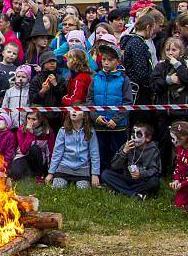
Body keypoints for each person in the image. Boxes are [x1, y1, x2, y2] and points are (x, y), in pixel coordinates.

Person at [87, 43, 133, 172]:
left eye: (110, 60)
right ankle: (101, 176)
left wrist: (116, 120)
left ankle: (117, 176)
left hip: (118, 125)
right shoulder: (96, 78)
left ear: (117, 61)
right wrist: (95, 117)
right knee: (101, 151)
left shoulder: (123, 79)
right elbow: (89, 100)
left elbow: (128, 102)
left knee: (118, 151)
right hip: (100, 123)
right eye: (104, 59)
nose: (106, 62)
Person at [152, 36, 188, 175]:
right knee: (164, 142)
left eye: (174, 49)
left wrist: (178, 66)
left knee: (181, 143)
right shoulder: (160, 66)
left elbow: (186, 79)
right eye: (168, 49)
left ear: (181, 51)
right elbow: (154, 85)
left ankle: (181, 171)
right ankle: (163, 171)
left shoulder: (184, 65)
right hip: (164, 112)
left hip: (181, 113)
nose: (170, 52)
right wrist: (169, 80)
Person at [100, 123, 161, 199]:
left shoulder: (153, 150)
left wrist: (140, 174)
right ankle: (133, 194)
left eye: (138, 134)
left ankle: (120, 190)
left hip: (143, 181)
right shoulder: (127, 145)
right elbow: (114, 166)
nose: (134, 137)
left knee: (154, 182)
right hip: (127, 179)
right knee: (105, 174)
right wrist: (124, 152)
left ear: (147, 138)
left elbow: (155, 171)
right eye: (133, 133)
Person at [46, 109, 100, 189]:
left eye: (78, 110)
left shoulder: (90, 131)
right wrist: (51, 173)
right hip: (64, 167)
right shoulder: (62, 131)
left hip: (82, 169)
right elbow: (57, 153)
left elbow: (95, 154)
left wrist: (95, 174)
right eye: (72, 109)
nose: (74, 111)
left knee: (83, 189)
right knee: (57, 186)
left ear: (84, 115)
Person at [120, 13, 156, 106]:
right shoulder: (137, 43)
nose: (152, 33)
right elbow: (140, 70)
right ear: (148, 27)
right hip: (139, 90)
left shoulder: (133, 41)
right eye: (152, 29)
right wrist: (150, 86)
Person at [9, 111, 53, 182]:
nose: (30, 122)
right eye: (28, 118)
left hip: (39, 159)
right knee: (15, 174)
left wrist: (50, 171)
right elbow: (23, 150)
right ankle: (29, 175)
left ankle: (38, 175)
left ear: (40, 120)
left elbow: (50, 151)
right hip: (23, 156)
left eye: (34, 119)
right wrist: (30, 133)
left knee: (34, 148)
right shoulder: (21, 129)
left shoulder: (47, 131)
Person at [2, 64, 31, 129]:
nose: (20, 79)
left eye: (23, 77)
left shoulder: (30, 91)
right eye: (18, 76)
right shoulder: (9, 91)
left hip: (26, 126)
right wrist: (5, 121)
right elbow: (4, 107)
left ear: (28, 78)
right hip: (11, 125)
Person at [170, 121, 188, 210]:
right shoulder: (179, 149)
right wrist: (176, 179)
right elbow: (178, 165)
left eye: (174, 138)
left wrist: (182, 183)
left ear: (183, 138)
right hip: (184, 184)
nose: (172, 141)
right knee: (178, 205)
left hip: (185, 182)